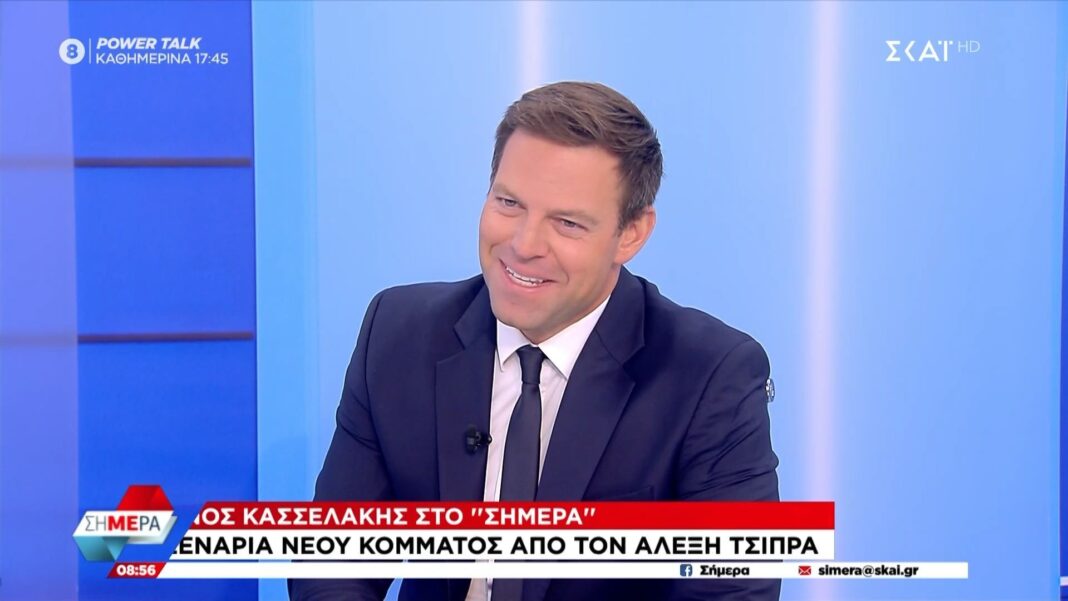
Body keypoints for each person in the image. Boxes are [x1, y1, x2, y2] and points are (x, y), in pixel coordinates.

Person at [290, 81, 780, 601]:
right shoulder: (399, 333)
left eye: (566, 223)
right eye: (509, 203)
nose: (523, 245)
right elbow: (333, 561)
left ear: (631, 234)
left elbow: (732, 592)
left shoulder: (709, 376)